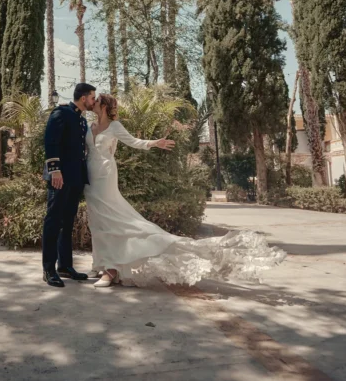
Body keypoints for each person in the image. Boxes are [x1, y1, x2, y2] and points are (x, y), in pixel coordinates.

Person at [85, 93, 286, 288]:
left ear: (104, 106)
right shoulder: (89, 126)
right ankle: (100, 263)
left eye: (97, 101)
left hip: (106, 176)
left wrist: (155, 143)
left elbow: (134, 142)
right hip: (88, 177)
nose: (92, 103)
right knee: (97, 220)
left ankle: (111, 269)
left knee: (111, 219)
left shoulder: (115, 126)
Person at [41, 82, 97, 287]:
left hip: (74, 178)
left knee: (67, 222)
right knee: (53, 221)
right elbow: (50, 141)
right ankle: (48, 269)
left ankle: (64, 266)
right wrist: (55, 170)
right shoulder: (62, 113)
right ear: (83, 98)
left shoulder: (81, 121)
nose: (94, 101)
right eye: (92, 97)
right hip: (60, 176)